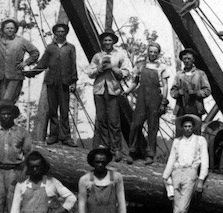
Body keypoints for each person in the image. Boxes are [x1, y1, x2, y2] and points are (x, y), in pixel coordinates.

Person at [162, 113, 209, 213]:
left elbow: (205, 161)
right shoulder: (177, 141)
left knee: (182, 209)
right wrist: (166, 176)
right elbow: (171, 159)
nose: (188, 128)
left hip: (190, 173)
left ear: (193, 127)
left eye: (190, 126)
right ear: (182, 128)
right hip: (177, 173)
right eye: (185, 126)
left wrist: (201, 179)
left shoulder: (200, 140)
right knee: (177, 210)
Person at [86, 30, 132, 163]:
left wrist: (113, 68)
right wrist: (99, 69)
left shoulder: (119, 55)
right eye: (105, 40)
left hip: (113, 90)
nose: (107, 43)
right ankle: (105, 147)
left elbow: (126, 71)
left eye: (109, 40)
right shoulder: (97, 56)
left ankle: (116, 148)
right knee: (102, 119)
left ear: (113, 42)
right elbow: (89, 72)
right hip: (99, 90)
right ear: (102, 42)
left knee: (114, 120)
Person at [29, 22, 78, 146]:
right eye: (58, 31)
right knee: (52, 110)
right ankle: (53, 136)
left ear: (66, 33)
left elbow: (73, 66)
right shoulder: (50, 48)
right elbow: (42, 64)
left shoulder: (70, 47)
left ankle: (66, 137)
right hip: (51, 82)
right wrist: (32, 72)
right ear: (55, 33)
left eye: (63, 31)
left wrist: (73, 82)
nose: (60, 33)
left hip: (65, 83)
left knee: (65, 110)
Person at [0, 17, 39, 103]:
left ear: (15, 29)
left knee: (8, 101)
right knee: (2, 103)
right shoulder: (0, 41)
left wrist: (26, 63)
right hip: (3, 76)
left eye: (12, 28)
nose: (10, 30)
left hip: (15, 76)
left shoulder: (21, 41)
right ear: (3, 30)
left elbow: (35, 52)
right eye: (7, 28)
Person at [128, 42, 169, 164]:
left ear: (158, 54)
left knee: (152, 126)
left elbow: (165, 86)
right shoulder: (140, 65)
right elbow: (135, 82)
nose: (152, 54)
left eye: (155, 52)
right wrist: (126, 92)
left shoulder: (161, 67)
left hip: (155, 98)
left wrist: (163, 102)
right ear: (147, 51)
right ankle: (132, 152)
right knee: (136, 124)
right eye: (150, 51)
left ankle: (150, 154)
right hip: (141, 97)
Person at [170, 49, 211, 121]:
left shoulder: (200, 74)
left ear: (193, 60)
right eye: (184, 59)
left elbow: (207, 90)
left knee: (195, 129)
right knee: (181, 130)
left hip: (196, 108)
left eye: (189, 58)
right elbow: (173, 91)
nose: (186, 61)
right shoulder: (179, 74)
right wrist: (178, 93)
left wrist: (196, 93)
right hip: (181, 108)